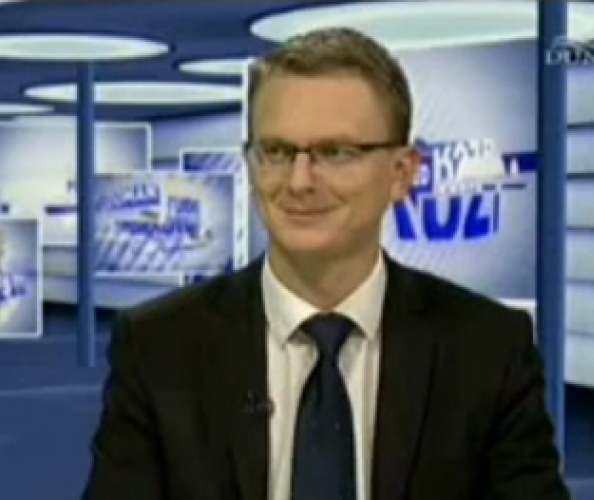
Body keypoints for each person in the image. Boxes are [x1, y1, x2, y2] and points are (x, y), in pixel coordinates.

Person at [81, 27, 570, 500]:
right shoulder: (159, 347)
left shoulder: (487, 350)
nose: (299, 182)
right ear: (250, 165)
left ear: (402, 173)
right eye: (276, 151)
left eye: (335, 153)